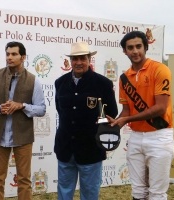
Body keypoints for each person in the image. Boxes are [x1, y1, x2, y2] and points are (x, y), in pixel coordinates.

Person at [107, 31, 174, 200]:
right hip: (136, 136)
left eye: (138, 46)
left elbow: (160, 107)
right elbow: (126, 111)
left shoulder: (160, 69)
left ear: (146, 47)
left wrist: (127, 120)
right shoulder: (123, 78)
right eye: (130, 48)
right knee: (137, 191)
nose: (135, 51)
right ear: (125, 51)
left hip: (159, 135)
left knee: (157, 193)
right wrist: (113, 125)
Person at [0, 41, 46, 200]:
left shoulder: (33, 80)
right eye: (7, 54)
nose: (9, 57)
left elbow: (41, 109)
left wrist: (22, 105)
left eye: (14, 54)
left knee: (24, 180)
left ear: (23, 57)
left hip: (23, 137)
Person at [54, 41, 118, 200]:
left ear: (89, 59)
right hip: (65, 148)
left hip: (91, 149)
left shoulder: (103, 83)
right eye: (75, 59)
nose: (78, 62)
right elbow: (59, 109)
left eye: (82, 58)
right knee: (64, 191)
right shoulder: (60, 83)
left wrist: (101, 118)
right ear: (70, 61)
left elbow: (112, 112)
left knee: (89, 193)